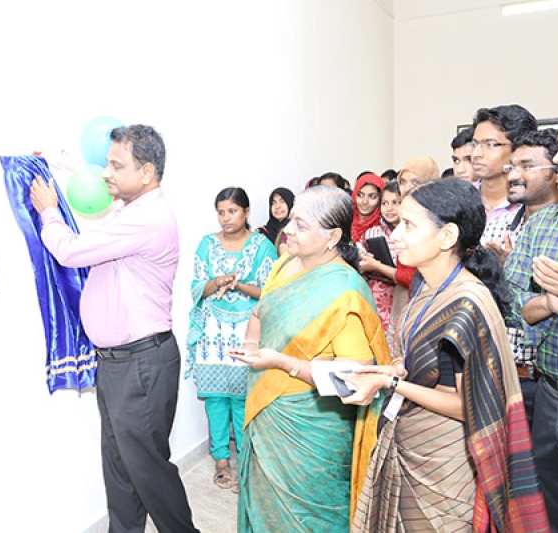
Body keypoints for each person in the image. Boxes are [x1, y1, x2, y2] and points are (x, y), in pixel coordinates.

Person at [343, 178, 548, 532]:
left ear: (447, 236)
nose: (395, 235)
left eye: (409, 225)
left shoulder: (467, 301)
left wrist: (391, 381)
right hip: (409, 436)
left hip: (442, 460)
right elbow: (421, 360)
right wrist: (389, 370)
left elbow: (468, 404)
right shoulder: (426, 284)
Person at [29, 124, 199, 533]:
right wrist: (59, 166)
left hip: (141, 364)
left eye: (115, 165)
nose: (105, 173)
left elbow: (69, 250)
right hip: (120, 364)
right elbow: (94, 192)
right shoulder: (131, 211)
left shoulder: (148, 219)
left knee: (148, 472)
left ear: (146, 173)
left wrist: (49, 211)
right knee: (120, 470)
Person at [228, 185, 391, 532]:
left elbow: (356, 375)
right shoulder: (285, 263)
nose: (288, 230)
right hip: (266, 409)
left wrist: (282, 362)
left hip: (311, 426)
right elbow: (261, 310)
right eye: (291, 221)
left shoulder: (344, 290)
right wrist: (253, 344)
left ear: (333, 236)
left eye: (301, 225)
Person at [187, 187, 277, 494]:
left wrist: (239, 285)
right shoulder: (207, 244)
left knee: (242, 399)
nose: (226, 218)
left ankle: (245, 463)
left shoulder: (262, 246)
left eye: (233, 211)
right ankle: (222, 460)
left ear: (247, 212)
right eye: (222, 212)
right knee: (214, 397)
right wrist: (218, 282)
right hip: (212, 330)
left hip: (247, 331)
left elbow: (270, 291)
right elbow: (197, 286)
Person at [504, 109, 558, 532]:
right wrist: (551, 300)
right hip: (551, 395)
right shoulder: (543, 224)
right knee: (553, 509)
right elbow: (513, 301)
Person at [490, 128, 558, 428]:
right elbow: (511, 299)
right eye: (512, 167)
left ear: (554, 172)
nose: (513, 176)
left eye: (527, 166)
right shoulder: (503, 226)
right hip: (515, 376)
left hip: (538, 377)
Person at [470, 104, 537, 246]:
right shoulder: (460, 198)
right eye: (474, 144)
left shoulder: (531, 205)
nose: (476, 154)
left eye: (491, 145)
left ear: (519, 149)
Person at [358, 180, 408, 354]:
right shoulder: (372, 233)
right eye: (385, 203)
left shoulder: (412, 234)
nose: (390, 208)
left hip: (403, 296)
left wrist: (377, 265)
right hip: (378, 296)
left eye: (396, 202)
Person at [255, 187, 294, 254]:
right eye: (273, 203)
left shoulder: (297, 230)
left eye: (282, 201)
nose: (277, 206)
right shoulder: (262, 232)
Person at [351, 173, 384, 244]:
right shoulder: (344, 221)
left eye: (372, 196)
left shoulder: (384, 229)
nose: (365, 201)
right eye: (360, 195)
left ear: (381, 199)